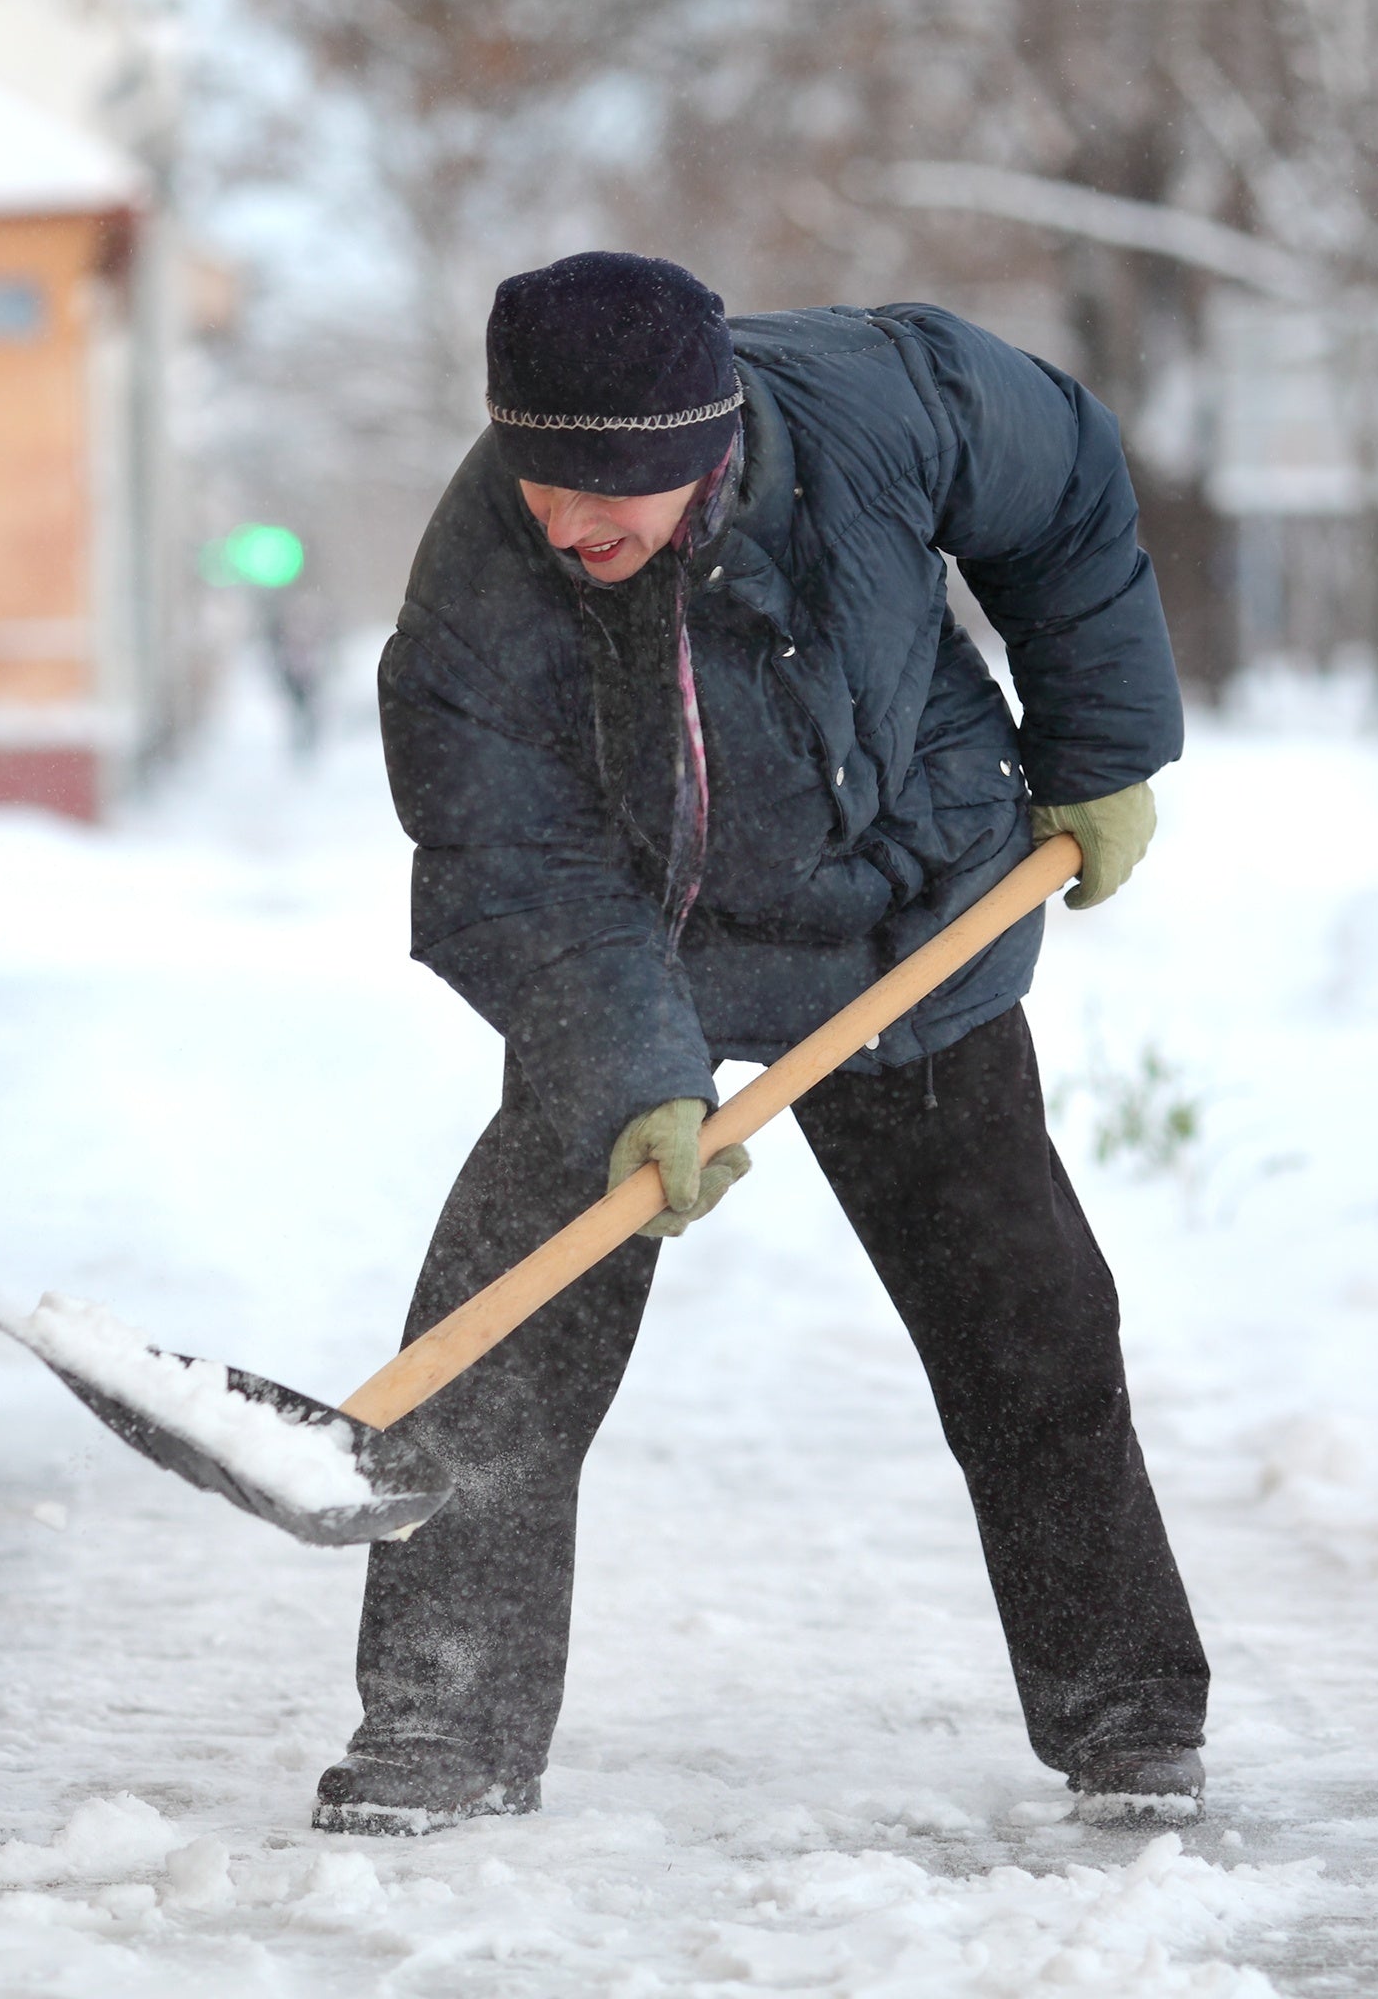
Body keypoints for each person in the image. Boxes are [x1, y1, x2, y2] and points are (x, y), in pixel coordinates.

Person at [322, 250, 1208, 1835]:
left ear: (702, 445)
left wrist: (1102, 745)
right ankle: (440, 1729)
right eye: (542, 487)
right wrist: (632, 1075)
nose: (566, 529)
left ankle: (1128, 1710)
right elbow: (503, 852)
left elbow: (1067, 491)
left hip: (912, 915)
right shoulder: (490, 561)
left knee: (1032, 1330)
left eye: (610, 500)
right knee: (504, 1337)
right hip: (639, 934)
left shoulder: (888, 401)